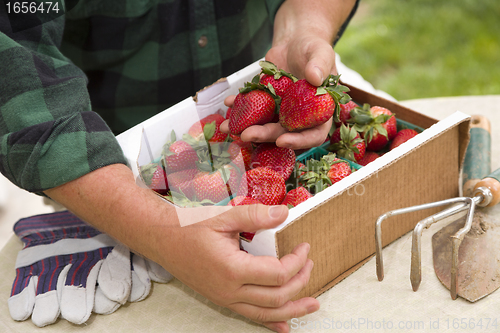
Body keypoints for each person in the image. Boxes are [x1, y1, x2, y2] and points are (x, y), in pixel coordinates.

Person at [0, 0, 358, 332]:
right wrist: (154, 229)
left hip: (262, 81)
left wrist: (305, 25)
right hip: (104, 161)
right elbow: (13, 65)